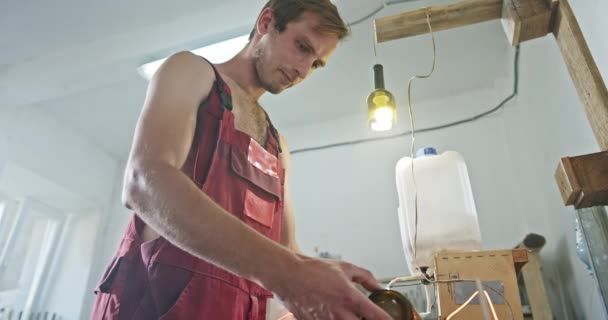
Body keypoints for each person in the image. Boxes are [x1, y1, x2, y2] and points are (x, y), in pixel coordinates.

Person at [90, 1, 391, 319]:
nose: (303, 71)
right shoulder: (190, 72)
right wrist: (290, 274)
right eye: (302, 47)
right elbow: (144, 183)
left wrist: (330, 290)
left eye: (315, 64)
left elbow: (286, 251)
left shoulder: (278, 148)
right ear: (266, 22)